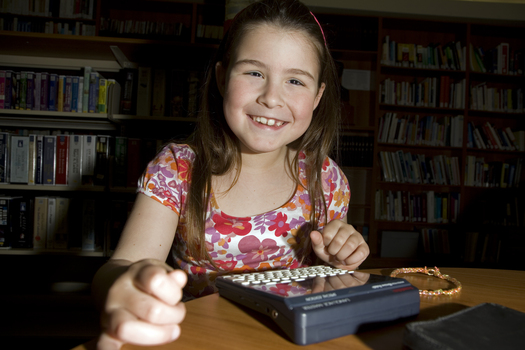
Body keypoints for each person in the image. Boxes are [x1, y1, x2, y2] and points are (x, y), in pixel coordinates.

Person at [92, 0, 370, 348]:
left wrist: (339, 262)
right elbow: (124, 264)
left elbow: (328, 290)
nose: (271, 98)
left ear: (317, 97)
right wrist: (130, 284)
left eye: (296, 81)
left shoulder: (327, 179)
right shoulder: (177, 169)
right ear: (223, 78)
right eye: (255, 73)